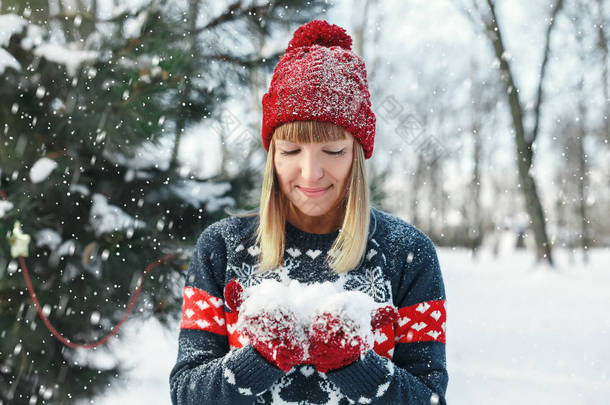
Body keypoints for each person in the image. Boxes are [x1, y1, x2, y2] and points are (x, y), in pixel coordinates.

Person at [169, 20, 448, 405]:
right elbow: (186, 394)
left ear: (356, 155)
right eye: (291, 151)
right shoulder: (221, 248)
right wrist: (257, 361)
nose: (311, 173)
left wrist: (357, 367)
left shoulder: (407, 253)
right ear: (272, 156)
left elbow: (429, 398)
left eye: (332, 151)